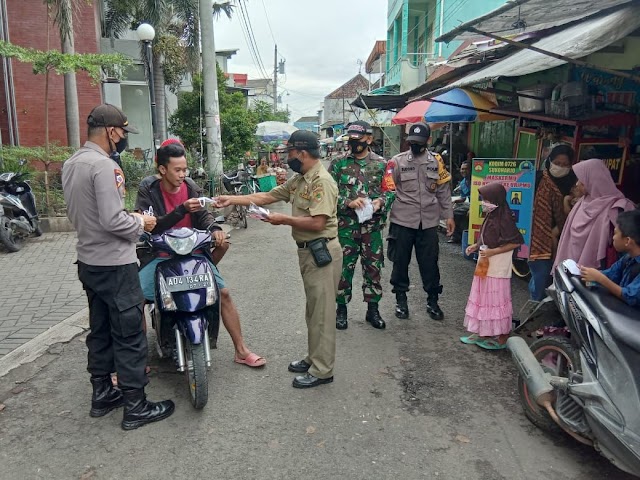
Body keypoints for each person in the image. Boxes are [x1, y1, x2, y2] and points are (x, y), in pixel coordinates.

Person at [61, 104, 174, 431]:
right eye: (123, 133)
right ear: (112, 131)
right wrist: (142, 221)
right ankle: (136, 406)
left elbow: (78, 215)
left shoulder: (72, 163)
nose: (124, 139)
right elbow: (113, 220)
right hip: (115, 263)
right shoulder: (106, 167)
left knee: (100, 329)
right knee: (128, 333)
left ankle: (102, 394)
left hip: (89, 261)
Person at [215, 130, 342, 389]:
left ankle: (323, 370)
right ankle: (314, 357)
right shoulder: (301, 178)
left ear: (302, 153)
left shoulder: (321, 181)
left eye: (291, 153)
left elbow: (318, 222)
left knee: (322, 314)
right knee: (313, 311)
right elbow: (269, 196)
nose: (288, 158)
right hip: (308, 251)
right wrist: (232, 199)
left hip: (322, 251)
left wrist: (282, 219)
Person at [135, 142, 265, 368]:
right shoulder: (149, 189)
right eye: (177, 170)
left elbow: (204, 215)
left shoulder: (190, 186)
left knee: (223, 293)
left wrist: (215, 229)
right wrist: (181, 210)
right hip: (160, 255)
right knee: (135, 300)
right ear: (163, 169)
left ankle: (241, 350)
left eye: (185, 169)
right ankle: (137, 360)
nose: (182, 174)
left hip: (194, 253)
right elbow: (150, 226)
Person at [383, 122, 455, 321]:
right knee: (400, 262)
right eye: (412, 142)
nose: (415, 146)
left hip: (429, 222)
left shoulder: (436, 161)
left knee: (430, 263)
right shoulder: (396, 162)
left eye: (419, 142)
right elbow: (388, 190)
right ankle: (401, 301)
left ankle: (433, 301)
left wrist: (448, 216)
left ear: (428, 141)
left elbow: (443, 191)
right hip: (402, 221)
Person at [329, 121, 393, 330]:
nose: (354, 143)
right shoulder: (338, 164)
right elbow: (328, 193)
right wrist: (347, 202)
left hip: (372, 228)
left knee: (373, 268)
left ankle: (372, 310)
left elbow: (390, 191)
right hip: (346, 227)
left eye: (358, 139)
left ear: (369, 139)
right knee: (343, 269)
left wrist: (380, 202)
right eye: (351, 139)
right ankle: (341, 310)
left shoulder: (383, 164)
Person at [461, 182, 524, 349]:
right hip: (485, 262)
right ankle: (483, 332)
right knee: (483, 297)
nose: (483, 203)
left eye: (486, 199)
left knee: (496, 299)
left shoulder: (505, 218)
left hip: (497, 266)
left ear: (496, 200)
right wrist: (475, 246)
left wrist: (492, 252)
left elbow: (515, 242)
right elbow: (486, 236)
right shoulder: (492, 214)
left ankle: (502, 336)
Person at [554, 158, 636, 270]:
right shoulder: (581, 204)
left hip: (605, 273)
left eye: (582, 181)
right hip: (571, 272)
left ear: (593, 180)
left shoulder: (618, 207)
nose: (577, 184)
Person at [528, 145, 577, 301]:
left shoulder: (574, 184)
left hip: (563, 235)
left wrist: (557, 230)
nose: (560, 167)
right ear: (549, 161)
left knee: (549, 274)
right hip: (536, 235)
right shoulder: (536, 178)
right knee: (541, 272)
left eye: (565, 165)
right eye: (557, 162)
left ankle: (538, 301)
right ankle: (536, 305)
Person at [580, 210, 640, 308]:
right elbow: (609, 275)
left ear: (627, 241)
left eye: (615, 233)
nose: (613, 238)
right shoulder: (627, 258)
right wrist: (585, 274)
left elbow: (630, 296)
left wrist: (600, 278)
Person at [449, 161, 471, 244]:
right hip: (467, 203)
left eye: (466, 169)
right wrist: (455, 201)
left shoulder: (475, 181)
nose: (463, 171)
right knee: (452, 211)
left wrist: (472, 208)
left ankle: (456, 236)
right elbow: (463, 197)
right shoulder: (463, 183)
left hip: (477, 204)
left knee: (457, 212)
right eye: (462, 169)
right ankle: (455, 236)